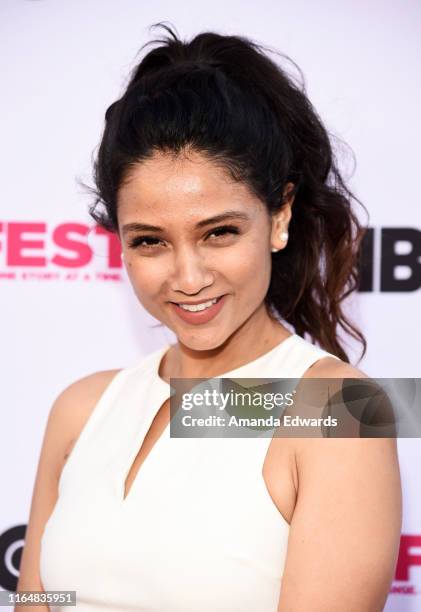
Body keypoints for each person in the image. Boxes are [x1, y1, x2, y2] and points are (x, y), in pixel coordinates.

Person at [16, 23, 402, 612]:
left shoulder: (339, 412)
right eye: (149, 241)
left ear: (278, 218)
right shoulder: (83, 408)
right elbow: (47, 596)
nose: (188, 277)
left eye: (219, 232)